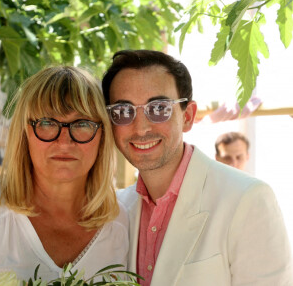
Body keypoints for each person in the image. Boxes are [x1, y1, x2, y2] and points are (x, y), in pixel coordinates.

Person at [102, 50, 293, 286]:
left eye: (159, 108)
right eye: (124, 112)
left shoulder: (248, 200)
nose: (140, 128)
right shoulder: (116, 211)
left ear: (188, 116)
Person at [0, 66, 128, 281]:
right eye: (47, 122)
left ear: (102, 135)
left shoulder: (125, 224)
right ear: (25, 132)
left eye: (82, 123)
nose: (64, 142)